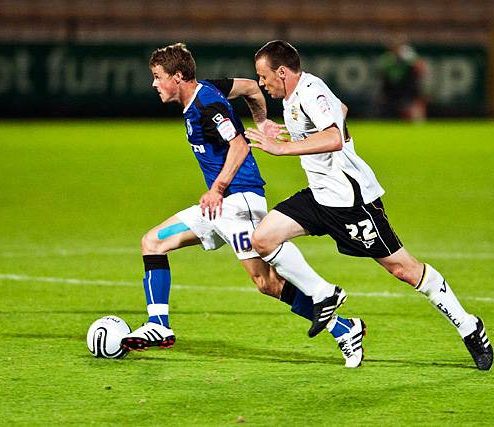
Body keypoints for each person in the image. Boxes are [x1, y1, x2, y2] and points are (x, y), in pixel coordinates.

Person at [244, 40, 493, 370]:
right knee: (263, 239)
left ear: (282, 71)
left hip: (351, 201)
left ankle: (468, 326)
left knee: (404, 269)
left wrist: (282, 149)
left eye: (264, 76)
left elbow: (334, 137)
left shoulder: (310, 91)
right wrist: (298, 139)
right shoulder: (296, 97)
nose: (262, 83)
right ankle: (324, 294)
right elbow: (341, 109)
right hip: (319, 196)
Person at [121, 43, 365, 368]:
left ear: (178, 76)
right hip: (217, 206)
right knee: (153, 242)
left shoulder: (208, 107)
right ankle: (159, 326)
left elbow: (238, 145)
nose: (154, 84)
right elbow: (251, 87)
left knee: (268, 283)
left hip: (238, 202)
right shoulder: (209, 89)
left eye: (157, 77)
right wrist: (262, 121)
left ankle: (344, 328)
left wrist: (218, 187)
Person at [378, 40, 427, 121]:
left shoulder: (408, 55)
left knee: (413, 112)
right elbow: (382, 73)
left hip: (408, 91)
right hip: (392, 92)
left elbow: (421, 67)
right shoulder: (387, 59)